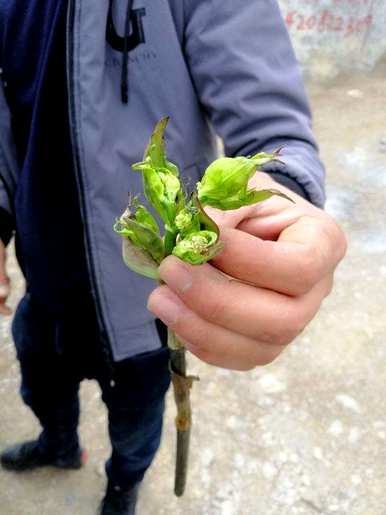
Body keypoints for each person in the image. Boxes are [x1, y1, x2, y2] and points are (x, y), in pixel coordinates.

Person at [0, 1, 347, 514]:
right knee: (42, 388)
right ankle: (60, 445)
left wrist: (284, 199)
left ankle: (123, 489)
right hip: (45, 287)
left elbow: (274, 134)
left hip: (150, 309)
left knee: (137, 426)